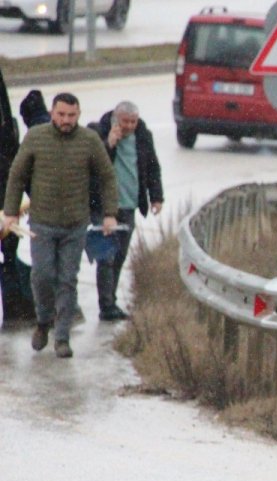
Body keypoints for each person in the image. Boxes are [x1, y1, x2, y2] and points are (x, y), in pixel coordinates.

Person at [2, 93, 117, 358]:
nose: (66, 120)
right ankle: (44, 321)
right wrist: (10, 212)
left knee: (67, 280)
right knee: (42, 276)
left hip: (74, 225)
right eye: (61, 114)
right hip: (42, 223)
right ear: (53, 113)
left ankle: (62, 337)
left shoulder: (89, 141)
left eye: (71, 116)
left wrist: (109, 213)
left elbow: (107, 176)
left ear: (78, 115)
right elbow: (17, 175)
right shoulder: (36, 137)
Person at [87, 100, 163, 321]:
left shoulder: (143, 136)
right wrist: (109, 143)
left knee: (119, 256)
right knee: (106, 257)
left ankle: (110, 300)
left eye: (133, 121)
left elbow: (152, 166)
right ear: (115, 118)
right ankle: (106, 306)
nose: (129, 126)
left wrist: (156, 197)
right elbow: (91, 164)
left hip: (128, 204)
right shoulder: (98, 131)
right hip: (103, 206)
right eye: (125, 121)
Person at [0, 66, 37, 327]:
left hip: (6, 201)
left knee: (9, 255)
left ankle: (15, 307)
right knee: (9, 256)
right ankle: (15, 308)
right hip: (6, 197)